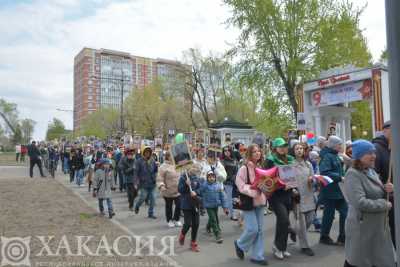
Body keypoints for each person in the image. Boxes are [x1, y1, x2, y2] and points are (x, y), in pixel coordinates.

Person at [343, 140, 395, 267]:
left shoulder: (371, 171)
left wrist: (387, 189)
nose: (374, 156)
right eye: (369, 153)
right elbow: (360, 202)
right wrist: (384, 204)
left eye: (374, 152)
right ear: (359, 156)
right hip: (362, 229)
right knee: (360, 261)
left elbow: (376, 191)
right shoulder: (353, 174)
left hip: (376, 228)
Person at [234, 144, 268, 266]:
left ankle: (257, 256)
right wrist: (253, 191)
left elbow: (266, 183)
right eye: (254, 152)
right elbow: (240, 184)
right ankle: (239, 244)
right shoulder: (244, 168)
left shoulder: (261, 166)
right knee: (253, 229)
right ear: (249, 153)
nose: (257, 153)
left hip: (260, 201)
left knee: (259, 230)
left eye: (259, 151)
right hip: (248, 202)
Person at [264, 137, 295, 260]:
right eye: (280, 146)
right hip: (276, 195)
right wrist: (281, 183)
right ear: (275, 148)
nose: (283, 148)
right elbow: (266, 179)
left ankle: (282, 247)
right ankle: (278, 246)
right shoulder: (270, 160)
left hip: (288, 194)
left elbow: (294, 176)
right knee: (284, 220)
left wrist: (293, 184)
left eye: (285, 146)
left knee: (283, 222)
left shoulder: (290, 159)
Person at [319, 136, 347, 246]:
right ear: (334, 145)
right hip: (330, 191)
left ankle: (343, 237)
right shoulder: (327, 156)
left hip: (340, 191)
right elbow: (324, 173)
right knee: (329, 215)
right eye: (339, 144)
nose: (341, 146)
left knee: (345, 213)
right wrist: (340, 177)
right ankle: (324, 236)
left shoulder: (336, 156)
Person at [372, 120, 395, 247]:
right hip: (387, 198)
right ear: (385, 130)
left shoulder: (395, 146)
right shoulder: (377, 148)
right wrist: (384, 186)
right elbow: (372, 176)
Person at [292, 143, 315, 256]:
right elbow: (287, 180)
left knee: (310, 219)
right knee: (301, 223)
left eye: (301, 148)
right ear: (294, 151)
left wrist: (312, 179)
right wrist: (293, 190)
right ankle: (305, 246)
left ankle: (293, 231)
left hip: (309, 195)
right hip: (298, 197)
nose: (299, 150)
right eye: (297, 148)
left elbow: (314, 177)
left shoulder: (309, 164)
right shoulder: (290, 165)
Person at [178, 165, 203, 252]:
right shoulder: (183, 177)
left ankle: (193, 243)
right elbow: (179, 190)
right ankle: (182, 234)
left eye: (196, 168)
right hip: (186, 204)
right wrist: (186, 184)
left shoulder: (197, 178)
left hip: (195, 204)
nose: (195, 169)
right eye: (193, 167)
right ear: (188, 168)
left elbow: (201, 189)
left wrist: (195, 192)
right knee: (188, 224)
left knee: (196, 224)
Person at [201, 170, 229, 243]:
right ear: (207, 178)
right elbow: (200, 191)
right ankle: (217, 235)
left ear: (215, 178)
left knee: (214, 217)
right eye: (209, 177)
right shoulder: (205, 185)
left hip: (216, 205)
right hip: (208, 205)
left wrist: (225, 207)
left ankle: (208, 227)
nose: (211, 178)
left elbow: (222, 197)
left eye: (213, 177)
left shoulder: (218, 185)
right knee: (214, 219)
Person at [157, 151, 182, 227]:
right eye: (171, 155)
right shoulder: (163, 167)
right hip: (167, 190)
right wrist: (161, 186)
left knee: (179, 205)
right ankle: (169, 220)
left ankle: (176, 219)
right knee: (169, 206)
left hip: (178, 190)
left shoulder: (177, 164)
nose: (173, 157)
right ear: (167, 157)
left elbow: (182, 173)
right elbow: (159, 178)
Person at [134, 146, 158, 219]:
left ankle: (150, 213)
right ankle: (137, 206)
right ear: (143, 153)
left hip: (152, 183)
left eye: (149, 152)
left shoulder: (152, 160)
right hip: (143, 183)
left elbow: (155, 170)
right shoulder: (139, 161)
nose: (148, 153)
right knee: (143, 197)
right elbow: (136, 173)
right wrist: (135, 182)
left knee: (153, 198)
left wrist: (157, 167)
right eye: (146, 152)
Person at [221, 146, 239, 221]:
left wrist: (236, 178)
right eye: (225, 151)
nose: (227, 152)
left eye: (228, 150)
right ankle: (232, 215)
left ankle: (232, 212)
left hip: (235, 181)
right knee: (229, 199)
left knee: (234, 198)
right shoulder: (222, 161)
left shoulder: (235, 160)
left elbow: (237, 170)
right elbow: (222, 173)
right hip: (227, 182)